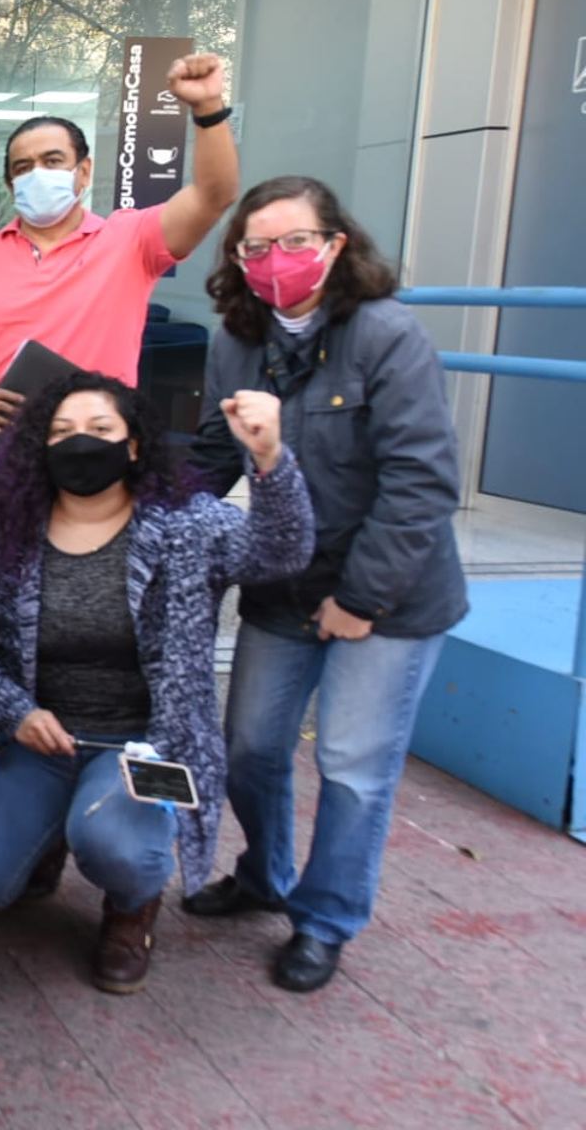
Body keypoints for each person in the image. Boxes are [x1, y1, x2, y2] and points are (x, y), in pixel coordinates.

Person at [182, 176, 467, 994]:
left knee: (351, 763)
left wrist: (363, 600)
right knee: (250, 747)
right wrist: (136, 514)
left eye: (296, 241)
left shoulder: (386, 334)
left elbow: (422, 484)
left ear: (336, 245)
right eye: (257, 247)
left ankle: (326, 917)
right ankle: (265, 876)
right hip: (284, 584)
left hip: (390, 597)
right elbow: (210, 452)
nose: (277, 261)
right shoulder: (236, 338)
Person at [0, 372, 312, 994]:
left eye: (99, 429)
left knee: (119, 848)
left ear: (134, 445)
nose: (79, 443)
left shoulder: (188, 528)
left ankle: (131, 909)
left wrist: (269, 458)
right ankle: (48, 838)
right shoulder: (11, 534)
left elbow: (283, 550)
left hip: (140, 746)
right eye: (61, 432)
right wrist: (16, 712)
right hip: (42, 742)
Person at [0, 54, 240, 564]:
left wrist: (208, 110)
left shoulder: (131, 239)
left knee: (92, 612)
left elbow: (215, 195)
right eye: (22, 168)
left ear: (83, 170)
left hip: (97, 462)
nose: (36, 175)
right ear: (9, 185)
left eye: (51, 161)